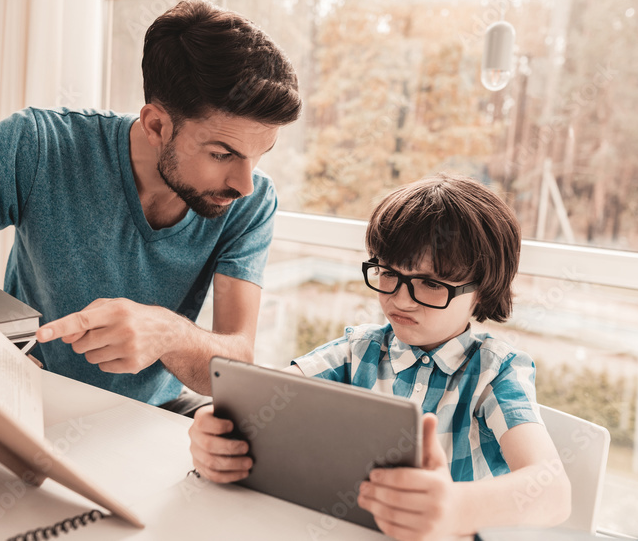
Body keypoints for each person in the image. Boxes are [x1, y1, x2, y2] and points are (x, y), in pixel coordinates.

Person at [0, 0, 301, 413]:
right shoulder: (38, 145)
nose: (245, 182)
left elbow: (236, 367)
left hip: (155, 416)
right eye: (222, 154)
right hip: (24, 396)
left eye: (260, 156)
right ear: (156, 126)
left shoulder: (251, 202)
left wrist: (168, 332)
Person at [188, 173, 571, 539]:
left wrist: (455, 508)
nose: (400, 298)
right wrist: (216, 431)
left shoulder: (495, 372)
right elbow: (259, 398)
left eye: (430, 284)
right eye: (388, 273)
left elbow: (552, 490)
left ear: (483, 291)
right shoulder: (360, 350)